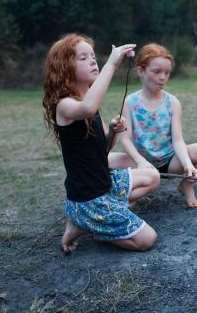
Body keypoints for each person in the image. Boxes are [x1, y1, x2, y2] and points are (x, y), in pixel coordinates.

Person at [42, 34, 160, 253]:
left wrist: (113, 132)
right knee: (147, 240)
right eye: (83, 58)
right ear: (65, 67)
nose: (92, 61)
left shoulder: (90, 103)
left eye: (93, 56)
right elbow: (86, 108)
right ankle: (89, 224)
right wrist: (112, 64)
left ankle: (90, 221)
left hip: (104, 185)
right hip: (88, 199)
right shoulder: (65, 106)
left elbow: (103, 149)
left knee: (153, 176)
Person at [117, 43, 197, 208]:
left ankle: (186, 186)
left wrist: (187, 165)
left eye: (167, 72)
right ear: (141, 71)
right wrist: (140, 161)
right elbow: (126, 140)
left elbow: (178, 140)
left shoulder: (172, 102)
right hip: (140, 163)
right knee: (102, 161)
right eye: (157, 72)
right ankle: (131, 190)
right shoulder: (130, 102)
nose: (163, 77)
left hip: (170, 162)